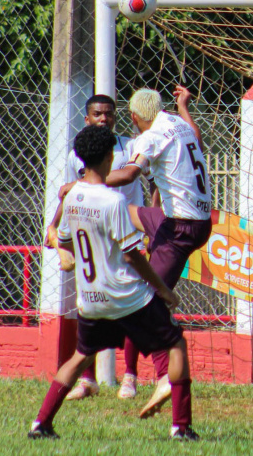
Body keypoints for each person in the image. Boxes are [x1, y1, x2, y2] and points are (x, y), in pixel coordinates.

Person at [28, 125, 197, 441]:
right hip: (125, 296)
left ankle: (40, 423)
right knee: (176, 345)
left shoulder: (73, 195)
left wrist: (59, 243)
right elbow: (132, 255)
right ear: (110, 157)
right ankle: (182, 428)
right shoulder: (113, 201)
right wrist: (162, 289)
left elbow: (61, 240)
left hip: (90, 298)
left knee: (79, 358)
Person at [100, 87, 213, 419]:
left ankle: (163, 375)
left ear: (135, 118)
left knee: (143, 301)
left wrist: (91, 182)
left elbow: (129, 174)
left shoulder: (149, 137)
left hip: (181, 227)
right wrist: (184, 106)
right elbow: (198, 139)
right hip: (191, 219)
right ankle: (137, 378)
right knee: (127, 212)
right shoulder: (177, 123)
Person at [44, 94, 146, 401]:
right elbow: (73, 194)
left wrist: (151, 227)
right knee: (91, 305)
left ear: (117, 118)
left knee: (133, 306)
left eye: (109, 114)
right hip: (96, 238)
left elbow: (141, 183)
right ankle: (88, 379)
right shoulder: (80, 152)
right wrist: (55, 226)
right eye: (98, 114)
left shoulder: (130, 147)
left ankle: (130, 376)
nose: (104, 118)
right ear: (87, 119)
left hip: (129, 235)